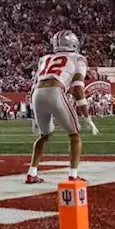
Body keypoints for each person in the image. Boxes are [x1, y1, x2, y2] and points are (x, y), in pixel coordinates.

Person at [25, 30, 97, 183]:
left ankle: (32, 173)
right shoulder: (78, 58)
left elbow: (34, 85)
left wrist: (33, 112)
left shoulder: (44, 58)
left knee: (44, 135)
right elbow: (78, 88)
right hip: (55, 91)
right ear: (74, 43)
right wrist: (87, 116)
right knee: (75, 135)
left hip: (37, 94)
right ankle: (73, 175)